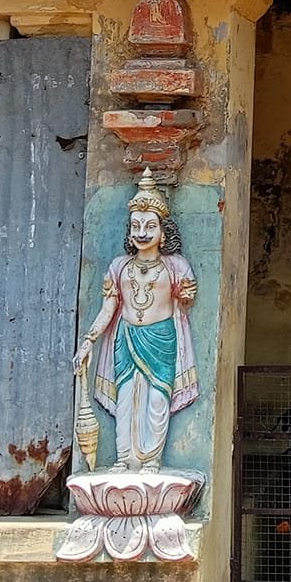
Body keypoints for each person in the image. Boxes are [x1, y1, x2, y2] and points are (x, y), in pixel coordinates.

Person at [74, 169, 198, 469]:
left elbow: (186, 301)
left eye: (150, 226)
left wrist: (186, 294)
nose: (142, 233)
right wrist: (88, 342)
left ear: (163, 232)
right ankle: (124, 458)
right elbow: (108, 309)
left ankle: (151, 459)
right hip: (126, 338)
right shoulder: (119, 266)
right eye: (136, 226)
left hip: (162, 338)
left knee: (157, 401)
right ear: (129, 231)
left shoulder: (176, 266)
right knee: (126, 398)